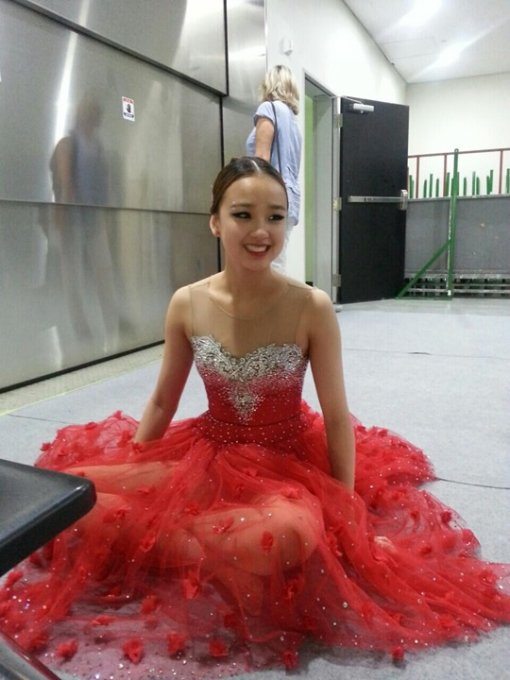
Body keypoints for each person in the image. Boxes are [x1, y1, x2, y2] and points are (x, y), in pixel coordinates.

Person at [1, 157, 509, 679]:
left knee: (290, 531)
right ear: (215, 221)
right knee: (73, 492)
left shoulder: (311, 306)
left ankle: (168, 543)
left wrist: (345, 510)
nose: (261, 231)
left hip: (288, 461)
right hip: (208, 451)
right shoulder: (187, 303)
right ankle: (201, 542)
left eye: (276, 217)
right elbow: (161, 403)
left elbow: (337, 417)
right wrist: (143, 471)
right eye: (243, 215)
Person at [246, 65, 302, 272]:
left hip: (268, 197)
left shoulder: (268, 109)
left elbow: (262, 159)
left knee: (264, 263)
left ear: (269, 84)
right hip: (289, 199)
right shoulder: (294, 123)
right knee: (277, 260)